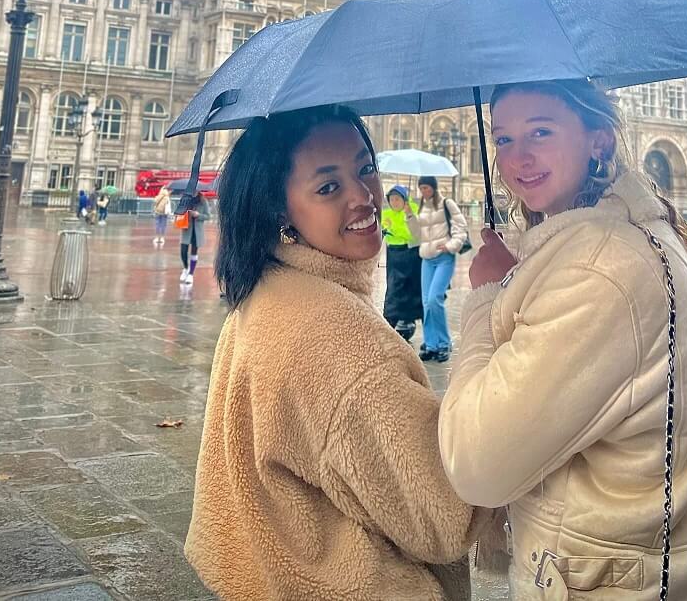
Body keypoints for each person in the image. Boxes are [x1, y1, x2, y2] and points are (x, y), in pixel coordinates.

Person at [438, 80, 687, 599]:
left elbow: (475, 464)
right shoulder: (635, 232)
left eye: (541, 131)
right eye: (503, 138)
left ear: (598, 139)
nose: (517, 158)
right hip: (650, 561)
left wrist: (487, 299)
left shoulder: (598, 268)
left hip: (597, 579)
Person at [186, 105, 490, 601]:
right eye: (328, 187)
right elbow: (444, 517)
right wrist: (487, 323)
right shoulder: (338, 343)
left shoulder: (266, 292)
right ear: (279, 210)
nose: (363, 195)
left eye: (365, 168)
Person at [406, 175, 469, 362]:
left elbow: (460, 227)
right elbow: (417, 235)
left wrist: (451, 245)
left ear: (433, 187)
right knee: (426, 303)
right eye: (421, 188)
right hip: (427, 260)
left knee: (435, 299)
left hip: (444, 259)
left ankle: (444, 343)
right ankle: (431, 344)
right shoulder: (422, 207)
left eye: (426, 188)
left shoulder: (447, 203)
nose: (423, 191)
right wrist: (410, 216)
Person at [381, 185, 424, 341]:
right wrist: (383, 229)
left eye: (398, 199)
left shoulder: (413, 212)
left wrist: (409, 215)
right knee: (393, 288)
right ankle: (389, 321)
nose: (394, 202)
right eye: (392, 199)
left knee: (409, 289)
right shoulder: (386, 215)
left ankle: (406, 321)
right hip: (394, 257)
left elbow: (417, 235)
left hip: (410, 255)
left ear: (405, 200)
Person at [179, 189, 210, 285]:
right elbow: (178, 212)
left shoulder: (203, 201)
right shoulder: (185, 200)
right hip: (186, 229)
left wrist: (198, 215)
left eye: (195, 190)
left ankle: (191, 274)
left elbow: (208, 216)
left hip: (197, 231)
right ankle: (185, 268)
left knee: (194, 252)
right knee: (183, 251)